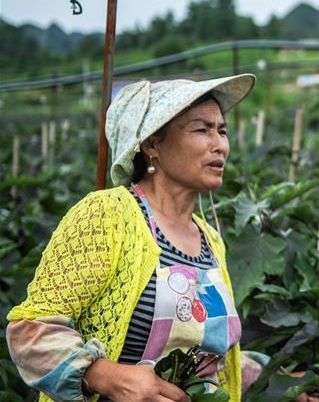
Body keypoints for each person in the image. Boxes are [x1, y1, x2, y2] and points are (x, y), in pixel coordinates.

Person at [6, 76, 260, 401]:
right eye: (202, 129)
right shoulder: (108, 215)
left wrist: (283, 379)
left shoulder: (210, 238)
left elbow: (209, 354)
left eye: (222, 131)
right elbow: (30, 329)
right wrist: (103, 375)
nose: (220, 144)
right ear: (152, 144)